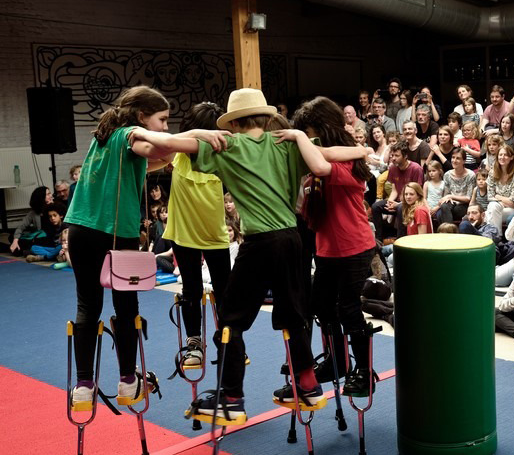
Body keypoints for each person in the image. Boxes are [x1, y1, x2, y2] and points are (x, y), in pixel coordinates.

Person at [133, 88, 368, 420]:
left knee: (230, 319)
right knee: (293, 315)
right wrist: (362, 148)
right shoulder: (285, 143)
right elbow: (331, 153)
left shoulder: (229, 146)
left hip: (260, 241)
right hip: (292, 239)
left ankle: (230, 396)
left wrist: (139, 132)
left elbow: (171, 145)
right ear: (265, 116)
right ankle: (308, 384)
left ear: (235, 123)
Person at [64, 86, 218, 410]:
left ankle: (83, 386)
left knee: (87, 307)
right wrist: (199, 134)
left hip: (79, 230)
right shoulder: (129, 133)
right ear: (141, 116)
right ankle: (127, 381)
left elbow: (148, 161)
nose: (164, 126)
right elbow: (156, 144)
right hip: (114, 234)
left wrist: (171, 155)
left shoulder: (103, 138)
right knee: (126, 308)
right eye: (162, 119)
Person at [285, 96, 379, 396]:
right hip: (327, 248)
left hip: (354, 246)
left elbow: (320, 165)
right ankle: (337, 361)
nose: (308, 138)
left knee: (349, 309)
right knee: (321, 307)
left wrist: (299, 137)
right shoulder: (331, 154)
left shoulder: (347, 160)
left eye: (312, 132)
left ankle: (363, 371)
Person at [164, 101, 232, 367]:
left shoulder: (222, 156)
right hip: (183, 234)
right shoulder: (178, 154)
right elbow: (167, 141)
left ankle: (229, 339)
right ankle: (194, 343)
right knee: (190, 289)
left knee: (224, 290)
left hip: (215, 235)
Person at [370, 143, 424, 242]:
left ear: (405, 156)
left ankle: (400, 240)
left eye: (397, 156)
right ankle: (379, 239)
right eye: (392, 155)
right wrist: (390, 202)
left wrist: (399, 204)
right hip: (398, 201)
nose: (393, 158)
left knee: (400, 208)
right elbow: (394, 190)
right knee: (375, 207)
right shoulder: (393, 168)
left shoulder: (416, 168)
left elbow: (418, 193)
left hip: (411, 202)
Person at [485, 145, 514, 237]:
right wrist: (502, 201)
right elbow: (490, 196)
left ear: (511, 157)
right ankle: (496, 237)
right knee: (492, 208)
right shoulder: (492, 172)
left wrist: (497, 197)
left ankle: (494, 237)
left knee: (489, 213)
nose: (502, 157)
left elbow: (513, 202)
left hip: (511, 210)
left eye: (505, 155)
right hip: (495, 208)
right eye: (500, 155)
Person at [9, 186, 54, 256]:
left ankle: (25, 251)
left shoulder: (55, 207)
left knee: (40, 241)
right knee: (12, 237)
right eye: (48, 194)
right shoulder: (34, 213)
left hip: (48, 238)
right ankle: (25, 250)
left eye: (50, 193)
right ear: (41, 198)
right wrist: (15, 241)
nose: (51, 196)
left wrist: (51, 206)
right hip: (38, 237)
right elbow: (21, 227)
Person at [439, 148, 475, 225]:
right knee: (444, 207)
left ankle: (448, 232)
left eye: (458, 158)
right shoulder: (447, 175)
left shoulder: (471, 175)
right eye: (453, 157)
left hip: (464, 204)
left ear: (464, 161)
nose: (454, 160)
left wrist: (451, 196)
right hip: (451, 203)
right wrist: (446, 198)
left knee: (442, 214)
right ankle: (450, 232)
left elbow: (468, 198)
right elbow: (446, 195)